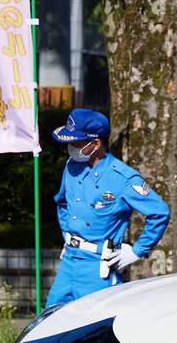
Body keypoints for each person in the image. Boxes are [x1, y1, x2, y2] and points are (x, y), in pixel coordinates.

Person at [47, 108, 170, 307]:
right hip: (69, 261)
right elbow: (62, 203)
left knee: (93, 328)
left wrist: (137, 251)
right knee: (49, 323)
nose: (69, 146)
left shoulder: (122, 178)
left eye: (75, 142)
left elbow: (160, 212)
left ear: (95, 144)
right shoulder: (72, 166)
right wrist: (67, 234)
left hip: (98, 267)